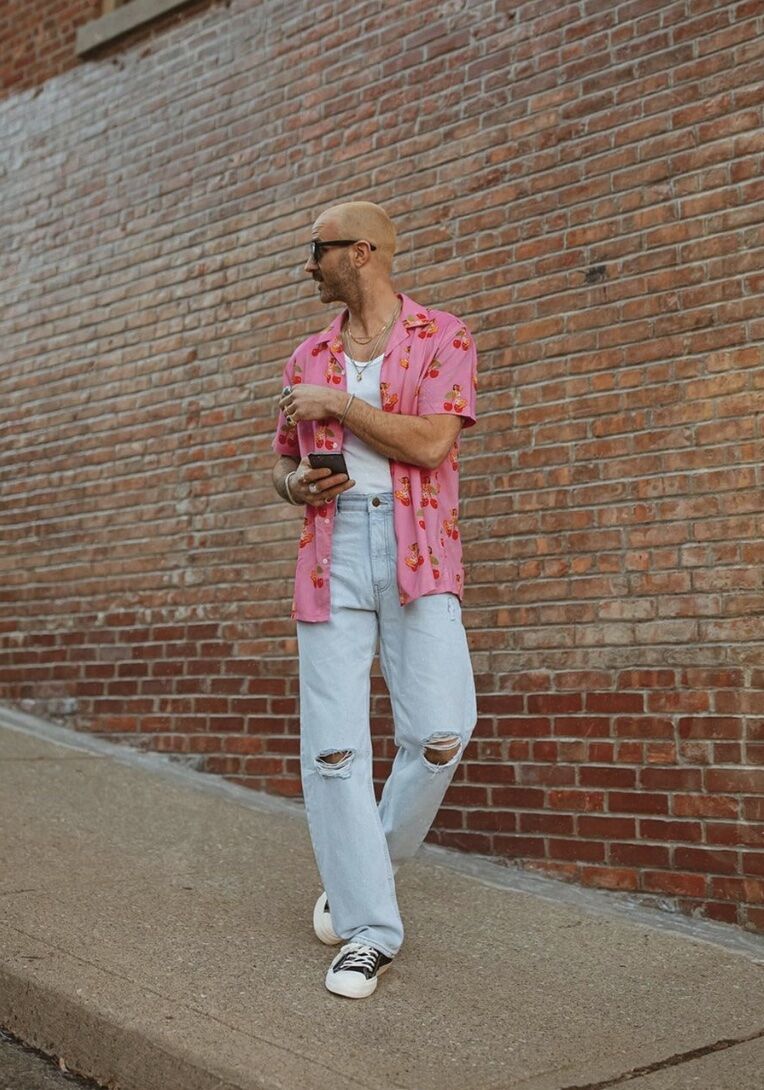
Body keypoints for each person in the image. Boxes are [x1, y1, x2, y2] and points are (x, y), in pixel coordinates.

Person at [271, 201, 477, 999]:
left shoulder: (444, 337)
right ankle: (369, 929)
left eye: (315, 250)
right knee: (333, 749)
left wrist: (343, 407)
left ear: (361, 253)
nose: (307, 265)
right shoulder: (306, 354)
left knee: (440, 730)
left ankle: (368, 867)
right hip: (331, 548)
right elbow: (282, 463)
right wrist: (295, 484)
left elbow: (431, 444)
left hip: (416, 546)